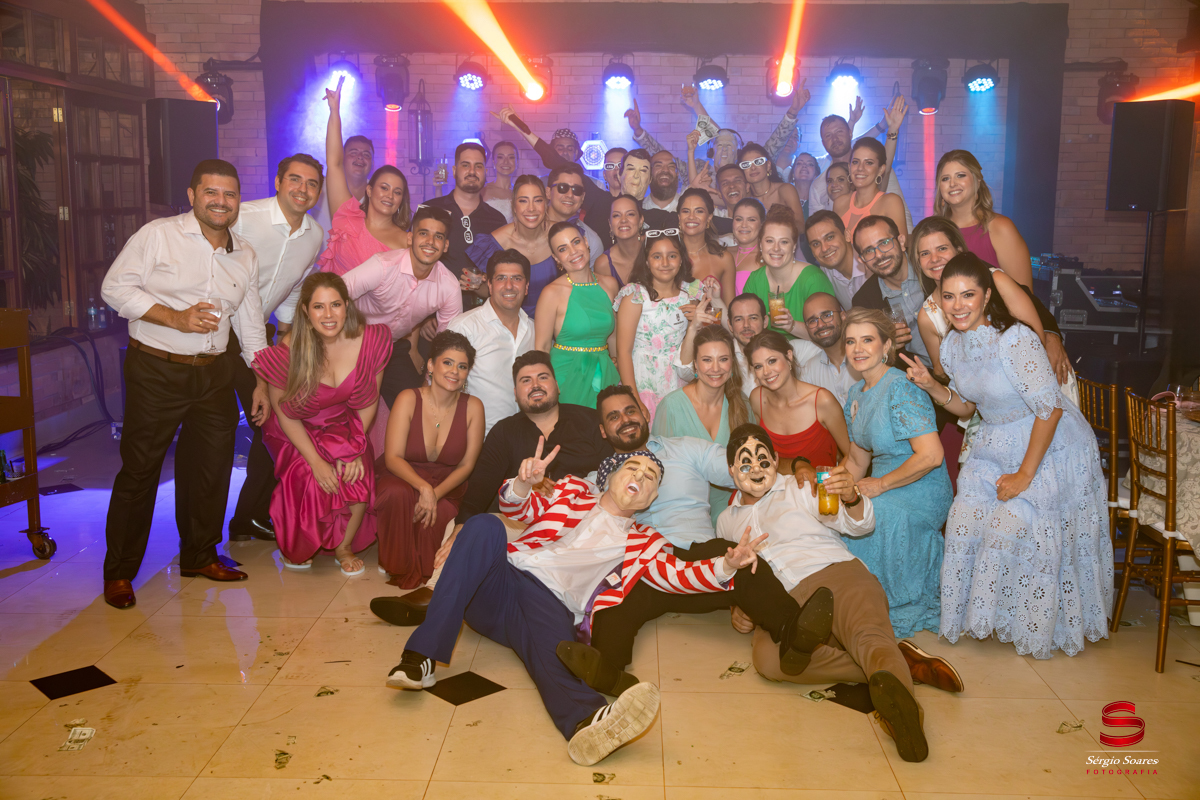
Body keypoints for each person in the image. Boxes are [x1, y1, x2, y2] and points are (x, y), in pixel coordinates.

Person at [385, 441, 763, 766]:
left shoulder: (647, 542)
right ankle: (421, 658)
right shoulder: (570, 492)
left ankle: (588, 724)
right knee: (484, 525)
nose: (641, 476)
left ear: (651, 498)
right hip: (500, 581)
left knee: (553, 651)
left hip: (550, 605)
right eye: (633, 467)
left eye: (651, 477)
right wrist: (523, 482)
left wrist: (726, 565)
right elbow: (519, 509)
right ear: (609, 476)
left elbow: (680, 576)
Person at [558, 385, 833, 694]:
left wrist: (797, 464)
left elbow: (747, 464)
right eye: (614, 416)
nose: (625, 420)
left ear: (644, 413)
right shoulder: (599, 479)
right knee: (611, 598)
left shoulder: (687, 449)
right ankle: (610, 675)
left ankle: (794, 636)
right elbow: (567, 505)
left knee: (741, 560)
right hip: (647, 568)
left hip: (702, 562)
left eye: (630, 410)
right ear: (603, 430)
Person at [903, 256, 1112, 657]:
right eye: (949, 297)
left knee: (1008, 524)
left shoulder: (1015, 339)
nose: (958, 305)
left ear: (986, 296)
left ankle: (1033, 622)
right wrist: (931, 385)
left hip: (1048, 443)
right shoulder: (952, 346)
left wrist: (1024, 475)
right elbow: (968, 408)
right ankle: (991, 617)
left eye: (968, 295)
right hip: (994, 441)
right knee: (962, 522)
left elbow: (1050, 409)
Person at [719, 424, 964, 763]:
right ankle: (895, 662)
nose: (756, 469)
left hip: (836, 572)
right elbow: (733, 573)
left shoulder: (801, 487)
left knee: (867, 633)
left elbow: (858, 525)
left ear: (775, 460)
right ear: (731, 470)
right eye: (745, 463)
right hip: (782, 604)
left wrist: (851, 497)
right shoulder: (725, 522)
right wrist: (738, 607)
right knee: (768, 660)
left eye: (763, 459)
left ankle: (904, 716)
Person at [99, 159, 269, 608]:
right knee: (140, 471)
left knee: (210, 469)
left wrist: (261, 381)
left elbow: (250, 323)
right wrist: (173, 317)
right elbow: (114, 289)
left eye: (229, 194)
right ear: (193, 195)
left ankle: (199, 555)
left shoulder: (245, 254)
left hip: (214, 373)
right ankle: (119, 572)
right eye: (211, 192)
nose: (220, 201)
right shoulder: (158, 235)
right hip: (157, 369)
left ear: (238, 201)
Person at [252, 273, 391, 574]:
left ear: (347, 306)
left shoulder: (371, 340)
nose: (328, 315)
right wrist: (316, 461)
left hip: (345, 423)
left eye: (335, 305)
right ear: (305, 310)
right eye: (319, 307)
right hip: (296, 427)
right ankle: (302, 541)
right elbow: (285, 414)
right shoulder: (288, 350)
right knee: (308, 473)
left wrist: (354, 449)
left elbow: (369, 402)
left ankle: (344, 545)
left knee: (357, 469)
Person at [227, 153, 326, 543]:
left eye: (312, 183)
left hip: (261, 335)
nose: (303, 189)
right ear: (278, 182)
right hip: (217, 333)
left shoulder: (315, 235)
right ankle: (222, 527)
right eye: (295, 180)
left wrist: (285, 334)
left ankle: (248, 517)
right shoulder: (243, 217)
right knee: (225, 430)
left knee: (270, 424)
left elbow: (295, 286)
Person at [841, 308, 952, 638]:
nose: (858, 349)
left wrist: (881, 484)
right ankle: (847, 605)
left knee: (873, 515)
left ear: (886, 345)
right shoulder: (855, 394)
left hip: (921, 488)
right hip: (880, 484)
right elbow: (856, 460)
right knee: (831, 514)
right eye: (850, 341)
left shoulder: (902, 386)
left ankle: (878, 606)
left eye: (867, 340)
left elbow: (931, 456)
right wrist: (830, 487)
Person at [375, 330, 485, 588]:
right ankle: (396, 561)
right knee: (395, 493)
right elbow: (393, 457)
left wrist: (435, 494)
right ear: (431, 365)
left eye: (462, 366)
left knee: (440, 512)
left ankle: (428, 566)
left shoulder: (474, 407)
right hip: (404, 474)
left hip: (448, 483)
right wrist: (424, 488)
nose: (454, 371)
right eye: (448, 363)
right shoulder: (408, 398)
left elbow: (467, 465)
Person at [451, 351, 613, 525]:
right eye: (526, 381)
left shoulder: (591, 421)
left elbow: (614, 475)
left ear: (557, 386)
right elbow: (478, 492)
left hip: (586, 522)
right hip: (520, 526)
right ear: (515, 394)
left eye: (543, 378)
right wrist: (460, 527)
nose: (535, 385)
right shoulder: (503, 432)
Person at [909, 217, 1069, 389]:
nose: (934, 258)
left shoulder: (996, 280)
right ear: (918, 261)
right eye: (924, 253)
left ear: (959, 249)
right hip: (977, 397)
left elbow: (1036, 341)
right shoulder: (928, 316)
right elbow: (941, 372)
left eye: (942, 248)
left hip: (1035, 383)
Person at [342, 205, 462, 406]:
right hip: (352, 340)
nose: (430, 242)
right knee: (347, 401)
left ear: (446, 245)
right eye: (423, 233)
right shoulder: (383, 265)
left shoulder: (449, 286)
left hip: (392, 347)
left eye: (438, 237)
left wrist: (430, 381)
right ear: (410, 238)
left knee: (415, 404)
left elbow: (447, 342)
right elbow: (336, 294)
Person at [653, 324, 753, 524]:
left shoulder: (742, 403)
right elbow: (659, 472)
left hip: (734, 509)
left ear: (732, 363)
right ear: (695, 365)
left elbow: (752, 463)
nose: (715, 368)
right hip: (684, 512)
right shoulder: (671, 407)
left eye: (723, 359)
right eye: (707, 360)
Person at [317, 82, 409, 276]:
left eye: (397, 192)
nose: (390, 195)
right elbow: (334, 163)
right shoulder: (348, 219)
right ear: (370, 190)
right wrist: (334, 111)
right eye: (384, 187)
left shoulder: (407, 241)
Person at [614, 231, 701, 422]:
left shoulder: (690, 294)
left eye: (672, 256)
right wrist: (634, 399)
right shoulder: (636, 295)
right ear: (646, 261)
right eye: (657, 256)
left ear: (681, 259)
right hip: (643, 382)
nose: (665, 262)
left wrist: (696, 322)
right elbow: (623, 352)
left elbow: (696, 344)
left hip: (679, 382)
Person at [447, 249, 535, 436]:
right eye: (501, 278)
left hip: (527, 439)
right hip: (478, 440)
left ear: (526, 287)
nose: (509, 286)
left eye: (517, 279)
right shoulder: (465, 327)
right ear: (490, 285)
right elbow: (439, 387)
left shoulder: (535, 330)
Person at [536, 221, 621, 409]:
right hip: (565, 377)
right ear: (556, 258)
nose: (573, 251)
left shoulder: (610, 285)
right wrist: (546, 385)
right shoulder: (551, 293)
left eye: (576, 242)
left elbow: (613, 336)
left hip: (604, 373)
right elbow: (542, 347)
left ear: (586, 242)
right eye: (563, 249)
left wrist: (617, 365)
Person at [495, 108, 614, 242]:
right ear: (548, 191)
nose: (565, 152)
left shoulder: (594, 185)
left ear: (576, 153)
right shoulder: (540, 183)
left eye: (570, 149)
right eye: (560, 148)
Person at [746, 329, 850, 473]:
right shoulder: (757, 399)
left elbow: (852, 456)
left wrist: (828, 483)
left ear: (789, 356)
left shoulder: (822, 401)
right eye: (758, 366)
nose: (766, 372)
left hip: (821, 486)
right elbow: (761, 455)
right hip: (774, 486)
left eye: (772, 361)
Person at [935, 149, 1033, 288]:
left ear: (977, 181)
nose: (952, 184)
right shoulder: (935, 230)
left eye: (960, 176)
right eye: (945, 178)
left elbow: (1025, 294)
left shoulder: (1000, 227)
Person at [807, 99, 911, 231]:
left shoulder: (875, 173)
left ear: (850, 133)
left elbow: (887, 163)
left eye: (839, 132)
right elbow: (817, 228)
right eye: (828, 135)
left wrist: (892, 130)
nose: (835, 139)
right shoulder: (820, 187)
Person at [424, 142, 508, 304]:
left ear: (485, 172)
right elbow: (412, 264)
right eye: (465, 165)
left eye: (478, 166)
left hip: (480, 312)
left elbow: (501, 271)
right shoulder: (430, 210)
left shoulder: (497, 220)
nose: (472, 171)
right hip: (434, 309)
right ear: (454, 170)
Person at [466, 174, 557, 316]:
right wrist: (476, 284)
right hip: (511, 321)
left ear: (545, 203)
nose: (531, 208)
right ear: (514, 206)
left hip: (557, 319)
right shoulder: (494, 243)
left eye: (538, 200)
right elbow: (489, 292)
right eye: (523, 201)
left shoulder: (561, 236)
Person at [851, 215, 934, 368]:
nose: (879, 255)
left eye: (884, 243)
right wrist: (885, 344)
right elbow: (872, 356)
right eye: (869, 251)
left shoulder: (930, 263)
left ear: (901, 242)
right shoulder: (864, 302)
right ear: (861, 260)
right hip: (917, 377)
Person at [743, 206, 835, 338]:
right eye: (769, 241)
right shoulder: (755, 280)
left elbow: (830, 333)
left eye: (784, 242)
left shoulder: (813, 279)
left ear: (794, 246)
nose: (776, 248)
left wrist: (792, 326)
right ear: (761, 245)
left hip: (810, 348)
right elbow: (745, 328)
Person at [835, 137, 909, 243]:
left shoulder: (891, 202)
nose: (860, 168)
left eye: (869, 163)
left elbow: (901, 247)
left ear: (881, 170)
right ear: (849, 166)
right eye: (855, 162)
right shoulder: (840, 203)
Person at [796, 292, 859, 407]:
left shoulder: (865, 356)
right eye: (812, 321)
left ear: (843, 316)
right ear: (807, 328)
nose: (820, 325)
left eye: (826, 315)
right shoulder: (809, 371)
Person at [678, 188, 736, 306]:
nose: (691, 217)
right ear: (679, 217)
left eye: (699, 211)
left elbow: (730, 310)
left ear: (709, 217)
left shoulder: (724, 259)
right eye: (686, 211)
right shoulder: (667, 255)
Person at [805, 210, 867, 312]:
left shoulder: (870, 262)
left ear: (847, 235)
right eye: (816, 244)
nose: (824, 248)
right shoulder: (825, 271)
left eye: (830, 237)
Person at [545, 163, 605, 267]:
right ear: (548, 192)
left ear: (583, 197)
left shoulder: (591, 241)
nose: (570, 195)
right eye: (562, 187)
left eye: (576, 190)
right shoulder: (528, 228)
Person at [738, 142, 805, 225]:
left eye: (758, 161)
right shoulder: (745, 197)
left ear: (768, 165)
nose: (753, 168)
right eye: (746, 164)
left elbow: (800, 225)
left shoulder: (785, 190)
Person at [592, 194, 643, 289]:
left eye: (630, 214)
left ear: (641, 220)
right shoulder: (603, 264)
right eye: (616, 215)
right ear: (610, 224)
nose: (623, 220)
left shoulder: (654, 249)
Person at [729, 198, 765, 294]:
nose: (744, 225)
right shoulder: (723, 253)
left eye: (751, 220)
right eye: (739, 219)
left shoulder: (767, 257)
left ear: (762, 224)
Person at [481, 139, 518, 221]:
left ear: (517, 162)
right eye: (500, 157)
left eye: (511, 157)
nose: (506, 162)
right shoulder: (483, 190)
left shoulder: (519, 191)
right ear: (493, 162)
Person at [790, 153, 821, 217]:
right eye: (799, 163)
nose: (804, 166)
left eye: (810, 164)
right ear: (793, 173)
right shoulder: (783, 197)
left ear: (815, 175)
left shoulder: (822, 201)